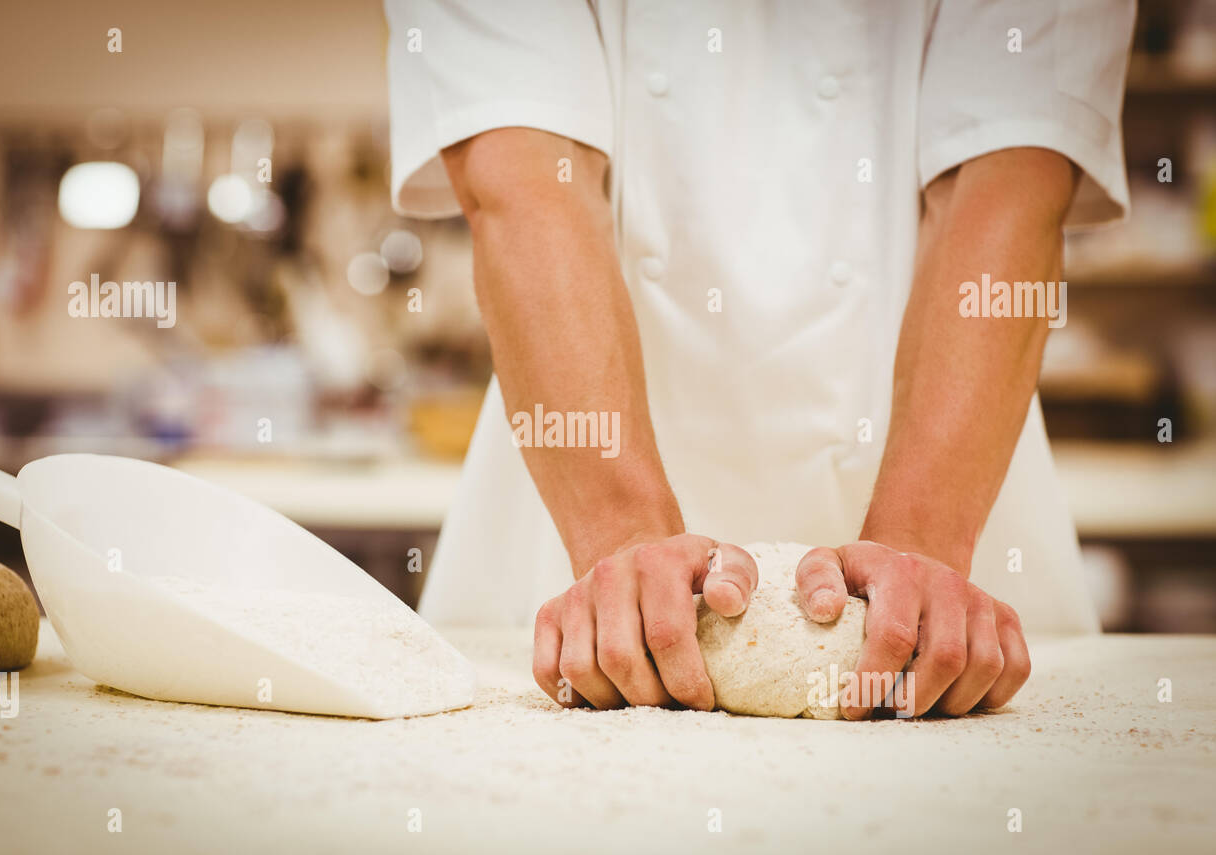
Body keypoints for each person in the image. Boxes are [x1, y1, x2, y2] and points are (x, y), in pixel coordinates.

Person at [385, 0, 1134, 716]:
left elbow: (1009, 177)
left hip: (955, 530)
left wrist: (922, 548)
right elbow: (525, 178)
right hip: (577, 539)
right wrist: (621, 542)